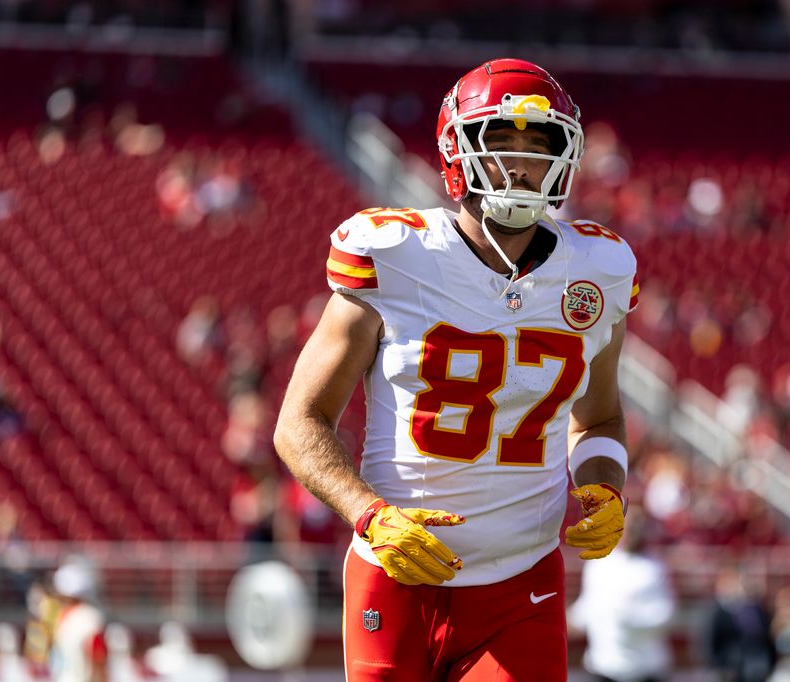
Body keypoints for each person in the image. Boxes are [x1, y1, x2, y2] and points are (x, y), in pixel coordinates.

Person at [274, 58, 639, 681]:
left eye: (539, 142)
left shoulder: (597, 270)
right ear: (458, 150)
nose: (521, 161)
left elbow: (598, 415)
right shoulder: (396, 255)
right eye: (501, 139)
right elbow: (299, 424)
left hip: (521, 579)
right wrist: (370, 515)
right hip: (398, 576)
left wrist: (604, 481)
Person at [568, 503, 676, 682]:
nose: (629, 531)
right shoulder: (597, 564)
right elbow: (589, 606)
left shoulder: (654, 568)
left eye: (635, 526)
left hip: (644, 669)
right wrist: (570, 620)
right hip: (603, 666)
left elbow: (664, 615)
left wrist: (625, 616)